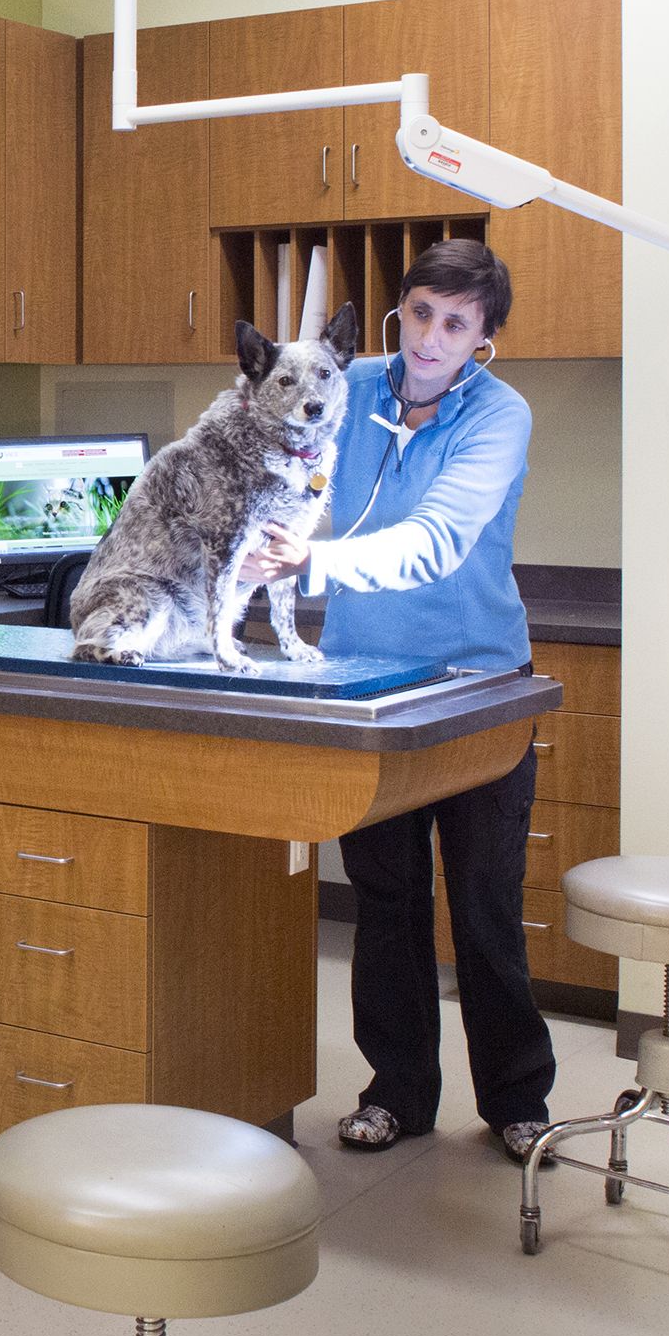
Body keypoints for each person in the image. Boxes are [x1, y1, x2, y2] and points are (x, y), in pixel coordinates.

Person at [238, 238, 551, 1158]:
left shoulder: (500, 417)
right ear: (399, 311)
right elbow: (273, 443)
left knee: (485, 904)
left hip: (475, 687)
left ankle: (516, 1100)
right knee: (387, 901)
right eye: (420, 313)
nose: (430, 338)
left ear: (481, 336)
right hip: (365, 682)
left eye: (455, 324)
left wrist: (315, 558)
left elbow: (437, 540)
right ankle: (398, 1093)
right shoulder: (350, 383)